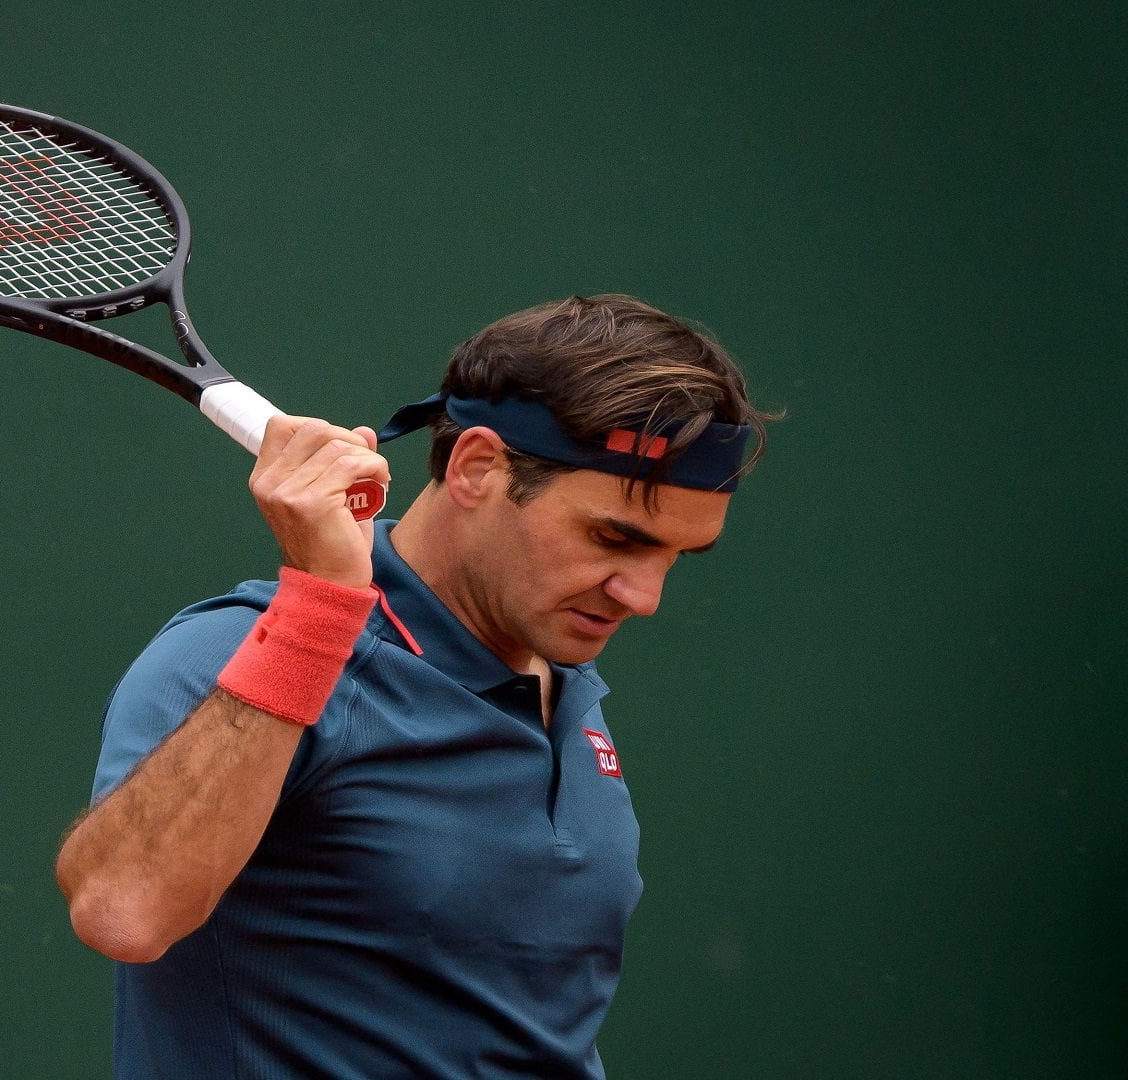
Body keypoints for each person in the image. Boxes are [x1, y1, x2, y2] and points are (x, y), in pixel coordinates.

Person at [54, 294, 776, 1079]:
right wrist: (321, 607)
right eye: (614, 537)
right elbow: (123, 909)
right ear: (476, 467)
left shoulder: (565, 685)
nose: (644, 595)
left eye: (676, 555)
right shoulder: (233, 648)